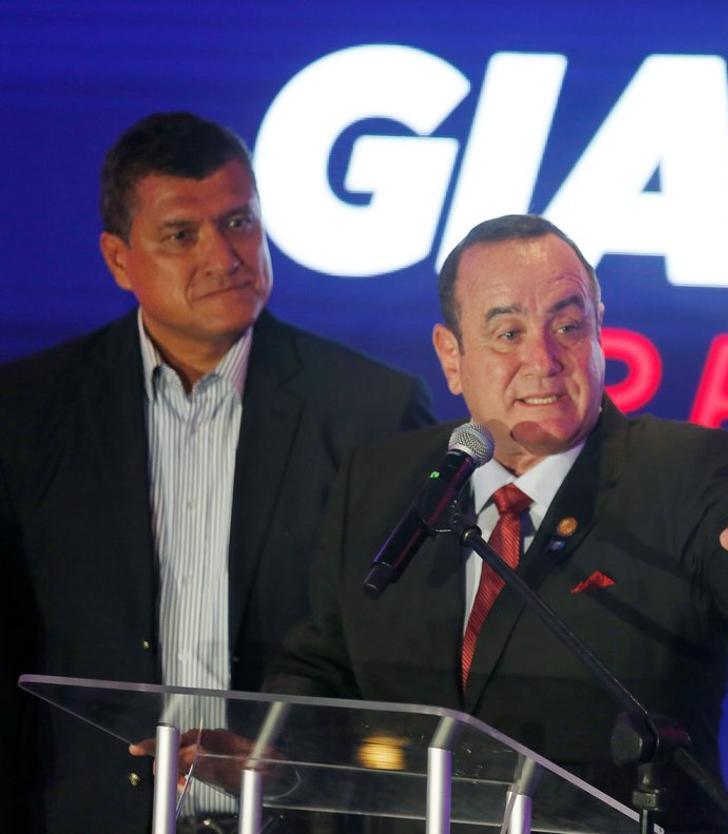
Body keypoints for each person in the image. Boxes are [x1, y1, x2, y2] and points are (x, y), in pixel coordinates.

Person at [264, 214, 728, 832]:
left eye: (567, 325)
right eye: (508, 333)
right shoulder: (380, 480)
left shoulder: (689, 470)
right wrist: (269, 747)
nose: (544, 360)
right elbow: (322, 667)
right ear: (451, 356)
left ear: (598, 330)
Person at [0, 112, 435, 833]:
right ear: (118, 258)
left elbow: (398, 665)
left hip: (294, 819)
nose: (225, 254)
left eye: (240, 222)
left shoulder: (372, 411)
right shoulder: (28, 414)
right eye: (182, 235)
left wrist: (287, 761)